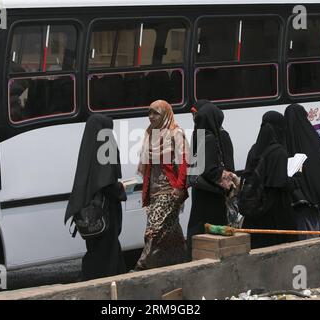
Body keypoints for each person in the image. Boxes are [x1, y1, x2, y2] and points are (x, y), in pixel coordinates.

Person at [64, 114, 126, 280]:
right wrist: (122, 188)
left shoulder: (88, 146)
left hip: (90, 209)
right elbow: (107, 183)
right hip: (105, 209)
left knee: (98, 248)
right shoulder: (106, 146)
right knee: (108, 250)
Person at [135, 100, 189, 270]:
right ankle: (181, 261)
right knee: (171, 230)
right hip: (153, 191)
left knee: (154, 229)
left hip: (169, 190)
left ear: (165, 114)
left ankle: (142, 266)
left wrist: (180, 187)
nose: (151, 117)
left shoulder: (175, 133)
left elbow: (183, 162)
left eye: (155, 113)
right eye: (149, 113)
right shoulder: (150, 133)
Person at [187, 101, 236, 259]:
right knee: (213, 233)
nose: (195, 119)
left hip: (201, 192)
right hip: (213, 196)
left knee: (200, 230)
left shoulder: (200, 136)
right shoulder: (213, 137)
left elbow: (196, 169)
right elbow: (219, 168)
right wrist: (231, 182)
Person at [243, 111, 297, 249]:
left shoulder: (254, 149)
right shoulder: (278, 152)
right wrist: (295, 181)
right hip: (275, 213)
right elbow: (281, 183)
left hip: (254, 211)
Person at [284, 104, 320, 239]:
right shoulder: (313, 137)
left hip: (298, 198)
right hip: (314, 196)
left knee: (305, 233)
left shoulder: (287, 139)